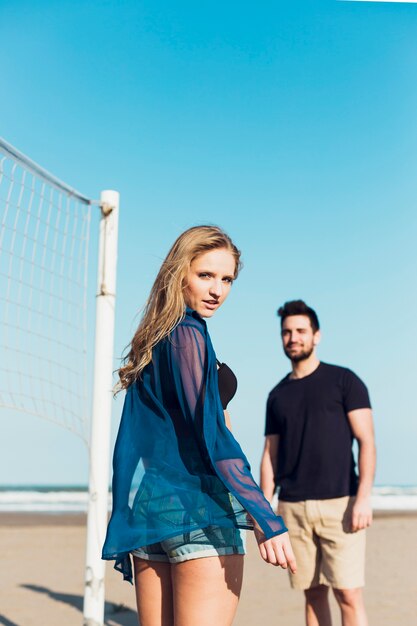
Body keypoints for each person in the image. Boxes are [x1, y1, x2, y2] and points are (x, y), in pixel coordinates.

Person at [102, 226, 296, 626]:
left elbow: (136, 441)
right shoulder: (189, 334)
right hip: (199, 510)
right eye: (205, 275)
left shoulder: (155, 336)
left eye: (226, 279)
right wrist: (265, 516)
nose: (217, 290)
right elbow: (214, 437)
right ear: (180, 273)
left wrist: (126, 506)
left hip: (153, 511)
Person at [260, 300, 376, 626]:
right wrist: (263, 508)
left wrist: (363, 498)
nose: (293, 338)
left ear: (316, 335)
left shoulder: (345, 381)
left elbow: (367, 441)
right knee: (312, 594)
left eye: (300, 331)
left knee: (348, 594)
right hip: (292, 508)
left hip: (341, 504)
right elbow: (270, 454)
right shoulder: (277, 395)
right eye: (286, 332)